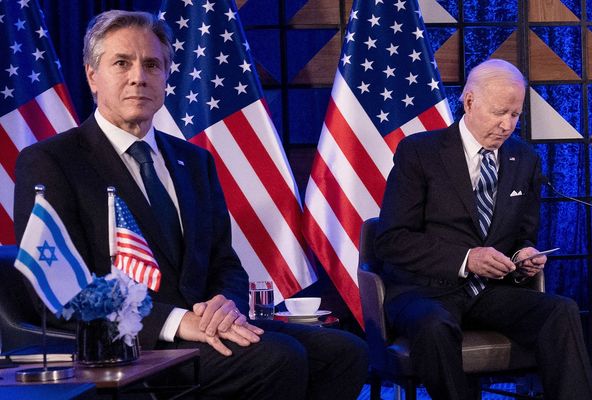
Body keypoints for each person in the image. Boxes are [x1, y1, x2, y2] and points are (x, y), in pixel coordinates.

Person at [13, 10, 366, 400]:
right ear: (93, 75)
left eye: (152, 64)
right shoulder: (52, 160)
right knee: (278, 358)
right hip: (127, 340)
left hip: (207, 327)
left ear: (166, 77)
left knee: (343, 351)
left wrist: (225, 305)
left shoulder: (194, 161)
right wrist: (178, 321)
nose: (138, 77)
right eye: (121, 63)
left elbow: (223, 260)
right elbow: (63, 285)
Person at [375, 59, 592, 400]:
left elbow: (523, 233)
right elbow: (391, 240)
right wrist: (466, 258)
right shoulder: (419, 152)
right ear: (469, 102)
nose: (507, 125)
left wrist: (525, 254)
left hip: (489, 292)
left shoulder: (524, 159)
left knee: (560, 310)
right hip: (425, 290)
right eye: (499, 113)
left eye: (515, 115)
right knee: (435, 326)